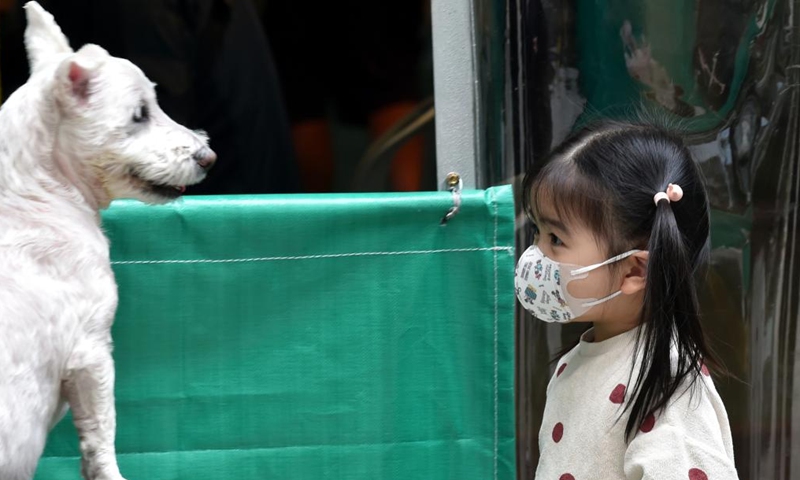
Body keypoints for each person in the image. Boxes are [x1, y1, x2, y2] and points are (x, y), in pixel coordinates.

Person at [514, 121, 739, 479]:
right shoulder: (576, 363)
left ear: (634, 271)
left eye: (555, 238)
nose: (535, 254)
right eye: (536, 232)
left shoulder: (668, 386)